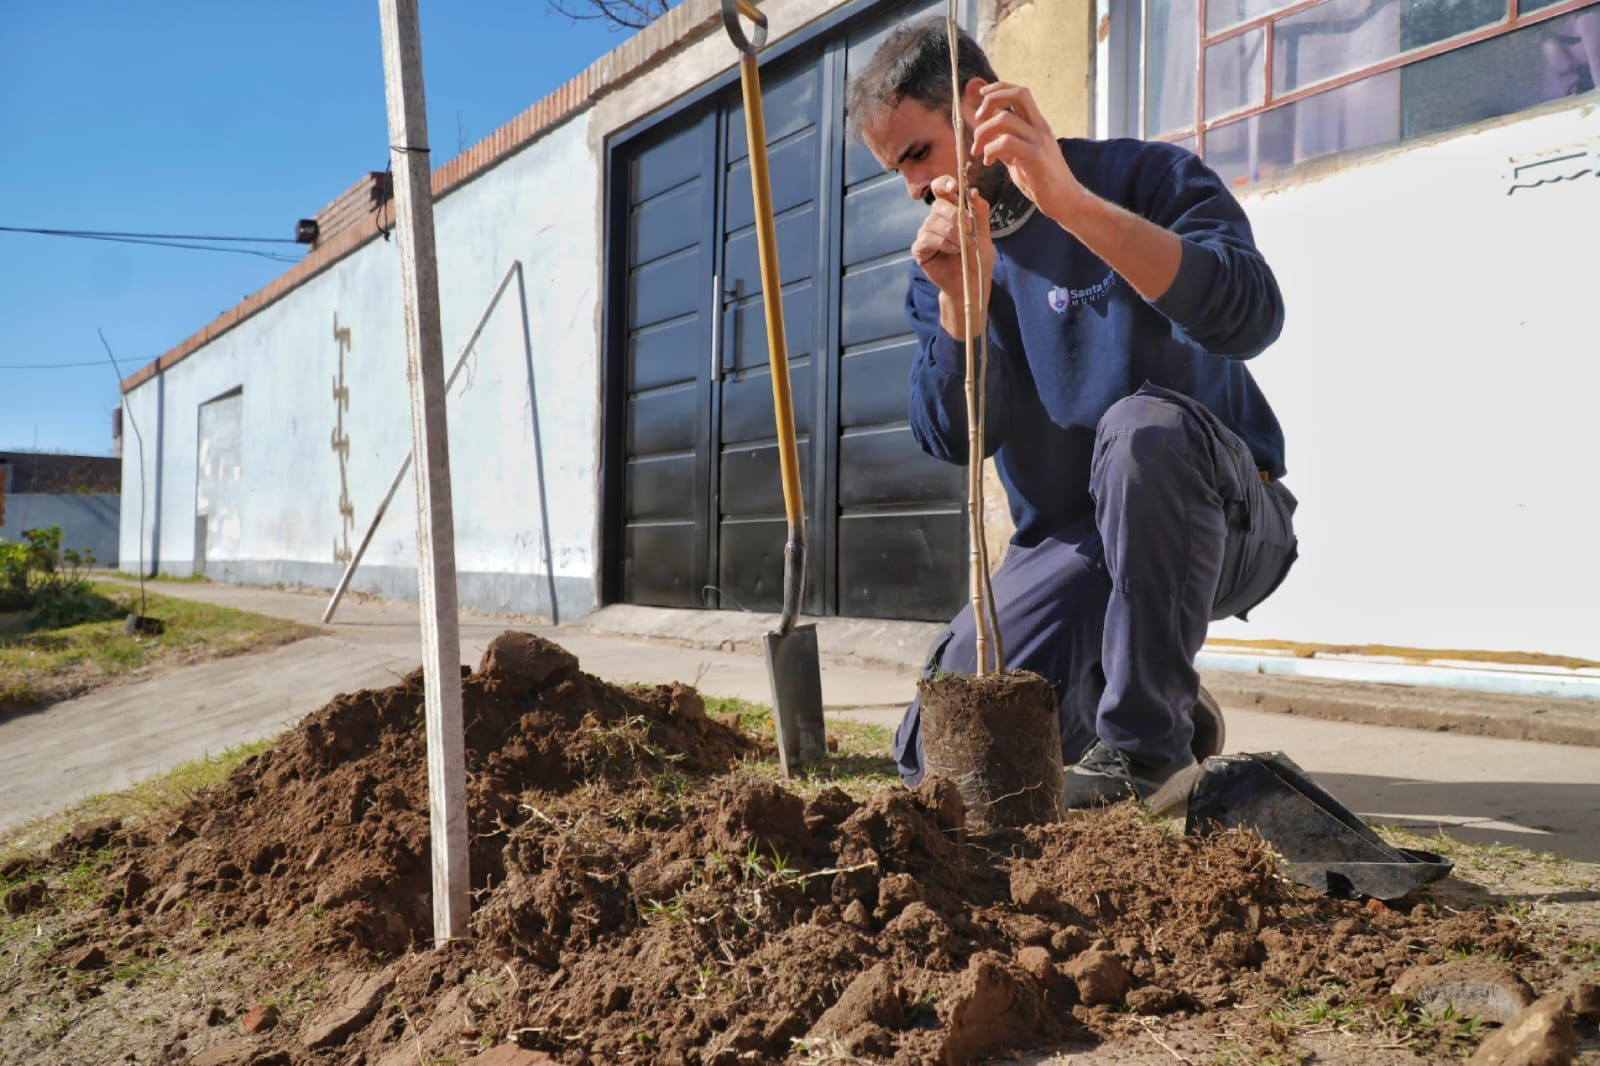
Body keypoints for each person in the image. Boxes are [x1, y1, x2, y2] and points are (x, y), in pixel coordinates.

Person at [846, 18, 1300, 811]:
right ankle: (1155, 701)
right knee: (946, 756)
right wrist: (962, 302)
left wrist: (1067, 203)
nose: (913, 187)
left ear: (978, 104)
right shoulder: (944, 262)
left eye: (917, 153)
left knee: (1141, 433)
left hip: (1222, 515)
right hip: (1072, 542)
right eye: (897, 171)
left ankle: (1145, 751)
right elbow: (949, 436)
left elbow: (1252, 317)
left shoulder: (1148, 176)